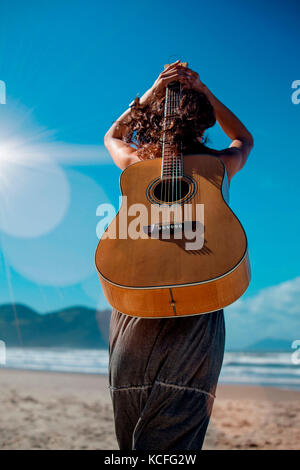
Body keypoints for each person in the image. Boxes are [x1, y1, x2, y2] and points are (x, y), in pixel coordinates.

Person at [104, 60, 254, 450]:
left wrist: (153, 90)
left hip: (136, 298)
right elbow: (243, 139)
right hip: (200, 297)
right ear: (203, 123)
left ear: (150, 121)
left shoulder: (138, 165)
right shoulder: (214, 167)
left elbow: (112, 135)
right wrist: (206, 92)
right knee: (179, 427)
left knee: (132, 425)